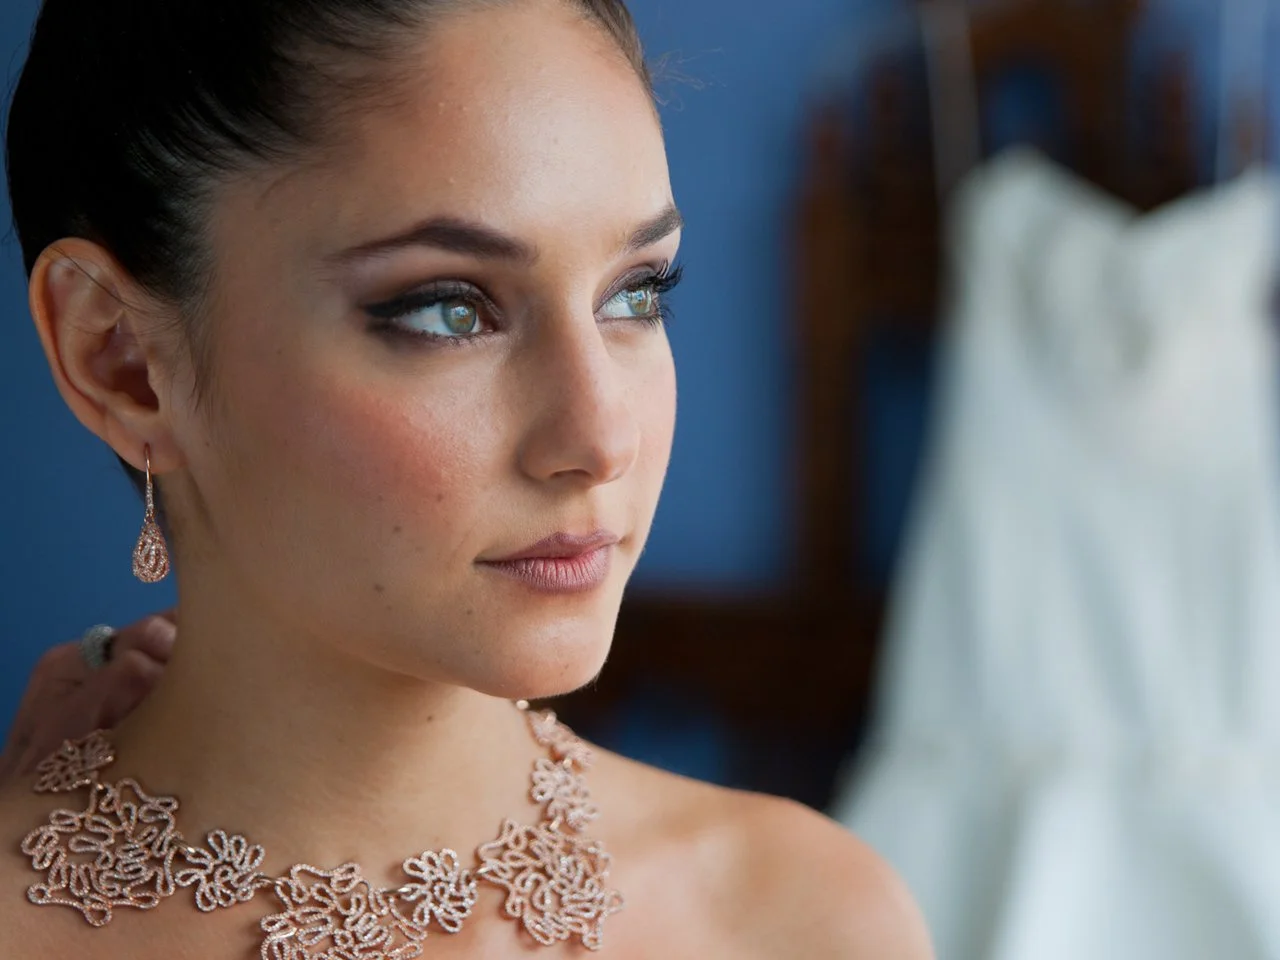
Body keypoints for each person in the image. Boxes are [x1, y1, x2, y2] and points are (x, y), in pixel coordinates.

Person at [0, 1, 933, 956]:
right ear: (121, 360)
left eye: (636, 293)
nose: (602, 437)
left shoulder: (803, 920)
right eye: (449, 310)